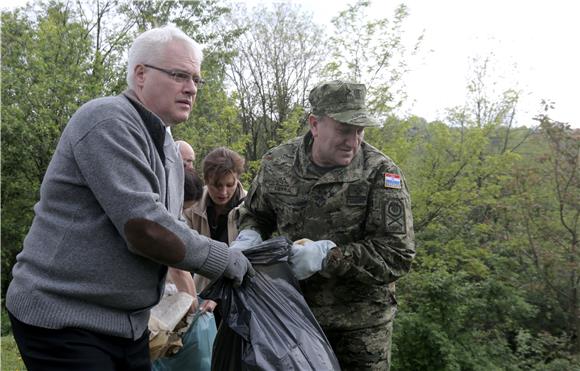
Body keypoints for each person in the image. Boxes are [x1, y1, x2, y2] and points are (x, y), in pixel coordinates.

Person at [5, 25, 253, 371]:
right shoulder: (106, 120)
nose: (192, 88)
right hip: (65, 318)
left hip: (129, 324)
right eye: (180, 75)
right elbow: (146, 228)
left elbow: (172, 222)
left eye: (197, 79)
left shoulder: (166, 144)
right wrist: (225, 260)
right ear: (140, 74)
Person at [234, 80, 415, 370]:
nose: (353, 140)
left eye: (360, 130)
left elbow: (397, 254)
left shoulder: (381, 173)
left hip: (360, 328)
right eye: (344, 129)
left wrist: (328, 256)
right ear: (315, 124)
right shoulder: (277, 162)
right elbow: (256, 213)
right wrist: (249, 234)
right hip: (293, 317)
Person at [183, 147, 247, 320]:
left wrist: (219, 294)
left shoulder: (250, 208)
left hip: (240, 295)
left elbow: (248, 260)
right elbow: (184, 252)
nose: (223, 192)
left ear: (238, 179)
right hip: (199, 295)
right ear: (206, 180)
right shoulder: (191, 206)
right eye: (217, 185)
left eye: (230, 185)